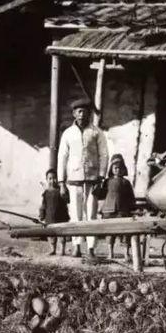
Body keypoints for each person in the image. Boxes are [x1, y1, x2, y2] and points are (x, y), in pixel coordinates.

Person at [57, 98, 109, 260]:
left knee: (91, 215)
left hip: (93, 181)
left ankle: (91, 248)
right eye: (79, 111)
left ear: (89, 113)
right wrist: (61, 182)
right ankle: (77, 246)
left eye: (85, 111)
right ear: (74, 113)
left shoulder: (96, 132)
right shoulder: (68, 133)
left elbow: (104, 155)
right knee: (75, 214)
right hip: (73, 181)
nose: (82, 114)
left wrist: (101, 178)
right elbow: (62, 157)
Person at [100, 154, 135, 261]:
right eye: (115, 167)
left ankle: (126, 254)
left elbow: (131, 197)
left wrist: (132, 208)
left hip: (122, 211)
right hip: (108, 211)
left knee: (125, 232)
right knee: (110, 233)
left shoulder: (126, 182)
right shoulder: (107, 182)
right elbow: (101, 195)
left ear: (124, 169)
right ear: (111, 169)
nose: (118, 170)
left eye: (120, 168)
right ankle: (110, 253)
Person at [39, 169, 69, 256]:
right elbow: (43, 205)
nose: (52, 181)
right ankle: (53, 249)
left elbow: (67, 201)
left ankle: (62, 250)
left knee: (62, 234)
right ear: (47, 180)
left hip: (61, 216)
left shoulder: (61, 190)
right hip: (50, 217)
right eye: (50, 179)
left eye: (55, 178)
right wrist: (42, 215)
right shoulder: (46, 192)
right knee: (51, 235)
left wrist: (64, 193)